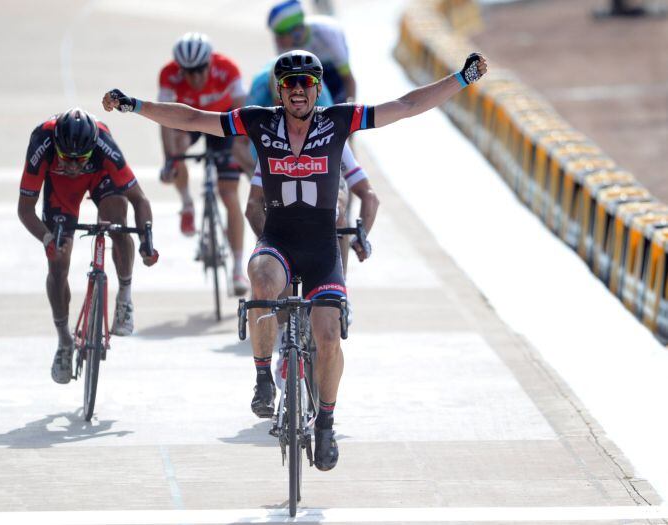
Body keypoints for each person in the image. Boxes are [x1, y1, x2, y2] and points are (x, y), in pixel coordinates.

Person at [102, 49, 487, 471]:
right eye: (290, 84)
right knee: (261, 277)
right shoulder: (259, 121)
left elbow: (407, 105)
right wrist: (133, 105)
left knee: (327, 338)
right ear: (280, 90)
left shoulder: (338, 120)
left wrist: (462, 78)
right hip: (279, 240)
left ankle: (325, 423)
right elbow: (193, 118)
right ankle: (264, 376)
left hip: (323, 249)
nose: (298, 90)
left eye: (306, 83)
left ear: (317, 88)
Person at [17, 108, 158, 384]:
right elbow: (25, 210)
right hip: (61, 190)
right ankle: (64, 341)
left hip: (100, 178)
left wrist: (146, 242)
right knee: (58, 263)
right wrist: (48, 240)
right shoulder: (41, 143)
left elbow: (140, 199)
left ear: (91, 150)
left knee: (117, 220)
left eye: (79, 159)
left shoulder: (105, 145)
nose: (72, 165)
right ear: (55, 146)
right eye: (65, 159)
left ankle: (125, 297)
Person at [242, 61, 378, 275]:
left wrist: (361, 236)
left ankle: (340, 286)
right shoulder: (271, 133)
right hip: (280, 196)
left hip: (326, 202)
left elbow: (368, 195)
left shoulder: (328, 127)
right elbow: (252, 206)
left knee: (337, 206)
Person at [158, 32, 251, 295]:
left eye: (200, 70)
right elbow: (165, 120)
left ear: (210, 63)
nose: (195, 77)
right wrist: (169, 160)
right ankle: (187, 203)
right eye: (188, 71)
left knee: (229, 194)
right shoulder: (168, 74)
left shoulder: (228, 69)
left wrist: (240, 155)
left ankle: (236, 268)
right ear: (179, 68)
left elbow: (241, 116)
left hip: (223, 125)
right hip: (190, 123)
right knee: (176, 143)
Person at [267, 0, 356, 104]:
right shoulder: (284, 44)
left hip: (332, 69)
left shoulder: (328, 34)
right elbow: (280, 87)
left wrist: (351, 106)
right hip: (311, 70)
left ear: (295, 30)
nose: (277, 41)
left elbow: (347, 78)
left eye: (280, 35)